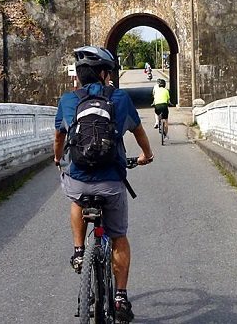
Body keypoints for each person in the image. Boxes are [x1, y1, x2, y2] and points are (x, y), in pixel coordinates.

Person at [54, 46, 154, 323]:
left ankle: (78, 251)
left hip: (79, 180)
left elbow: (59, 138)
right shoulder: (119, 98)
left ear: (79, 75)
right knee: (118, 235)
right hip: (111, 183)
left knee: (75, 197)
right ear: (102, 73)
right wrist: (146, 155)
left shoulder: (67, 100)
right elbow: (139, 131)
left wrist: (57, 158)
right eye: (108, 72)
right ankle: (120, 297)